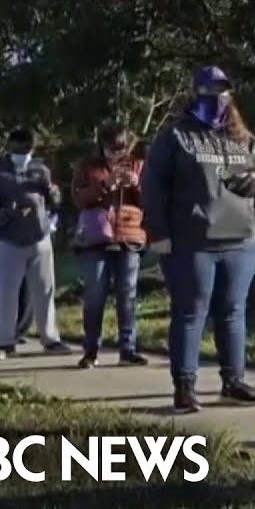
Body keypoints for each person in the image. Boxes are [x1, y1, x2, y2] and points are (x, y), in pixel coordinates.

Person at [143, 66, 255, 413]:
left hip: (241, 240)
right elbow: (152, 186)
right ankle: (185, 386)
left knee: (233, 312)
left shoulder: (241, 136)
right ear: (197, 92)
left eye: (223, 89)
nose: (217, 96)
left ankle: (233, 382)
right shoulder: (176, 135)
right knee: (191, 313)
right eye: (210, 90)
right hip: (192, 242)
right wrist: (159, 235)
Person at [0, 128, 71, 359]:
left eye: (28, 145)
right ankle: (5, 343)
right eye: (19, 145)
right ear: (10, 145)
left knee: (45, 291)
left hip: (39, 237)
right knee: (6, 293)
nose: (24, 149)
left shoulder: (41, 169)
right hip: (8, 240)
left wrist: (53, 192)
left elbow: (55, 202)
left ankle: (51, 339)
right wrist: (8, 214)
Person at [71, 123, 149, 368]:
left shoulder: (138, 164)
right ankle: (90, 350)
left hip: (129, 236)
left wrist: (136, 183)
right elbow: (78, 198)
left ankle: (128, 349)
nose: (116, 154)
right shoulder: (88, 166)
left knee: (128, 295)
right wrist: (105, 185)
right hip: (96, 239)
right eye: (110, 149)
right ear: (101, 145)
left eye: (121, 149)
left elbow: (151, 200)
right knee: (95, 295)